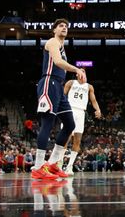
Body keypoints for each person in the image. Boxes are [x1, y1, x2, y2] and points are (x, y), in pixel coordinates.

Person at [31, 19, 87, 180]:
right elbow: (57, 62)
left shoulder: (62, 46)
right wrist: (76, 69)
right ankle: (39, 166)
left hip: (58, 86)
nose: (64, 28)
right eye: (61, 26)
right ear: (54, 30)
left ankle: (53, 164)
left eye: (66, 26)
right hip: (49, 82)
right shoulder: (52, 42)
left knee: (70, 124)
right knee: (47, 123)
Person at [62, 78, 102, 174]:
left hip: (81, 112)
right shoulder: (71, 82)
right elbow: (62, 96)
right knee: (65, 139)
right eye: (80, 70)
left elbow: (94, 100)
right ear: (77, 74)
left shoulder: (89, 86)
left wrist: (98, 110)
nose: (82, 72)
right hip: (69, 110)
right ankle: (59, 164)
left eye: (84, 71)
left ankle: (70, 166)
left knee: (77, 140)